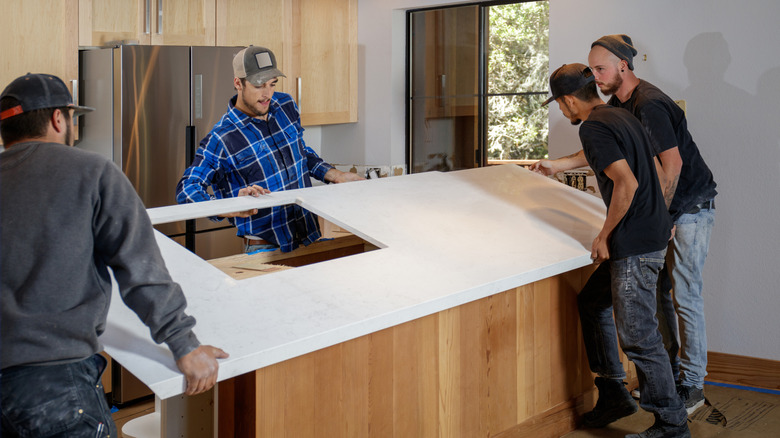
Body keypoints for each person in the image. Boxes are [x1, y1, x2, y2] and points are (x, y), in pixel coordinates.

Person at [0, 73, 228, 437]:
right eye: (72, 118)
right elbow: (140, 268)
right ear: (59, 119)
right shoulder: (91, 172)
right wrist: (184, 344)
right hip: (55, 384)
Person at [536, 64, 689, 438]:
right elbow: (607, 158)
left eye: (559, 104)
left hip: (633, 242)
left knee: (638, 336)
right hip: (650, 234)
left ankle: (672, 424)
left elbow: (627, 182)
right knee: (592, 302)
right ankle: (613, 392)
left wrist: (605, 234)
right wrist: (557, 166)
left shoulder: (593, 126)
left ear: (570, 100)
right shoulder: (617, 115)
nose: (561, 110)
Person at [587, 34, 717, 415]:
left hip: (689, 208)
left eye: (601, 68)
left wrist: (661, 218)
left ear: (623, 66)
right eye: (592, 69)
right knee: (660, 295)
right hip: (668, 212)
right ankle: (671, 378)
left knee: (686, 296)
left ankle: (692, 385)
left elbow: (672, 166)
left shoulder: (651, 104)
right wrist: (558, 164)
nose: (595, 76)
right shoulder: (618, 103)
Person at [176, 46, 363, 254]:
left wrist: (334, 175)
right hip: (265, 249)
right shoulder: (222, 137)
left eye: (272, 84)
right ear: (238, 83)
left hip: (309, 236)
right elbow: (187, 189)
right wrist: (227, 206)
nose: (267, 94)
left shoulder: (285, 105)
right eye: (259, 85)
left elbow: (299, 151)